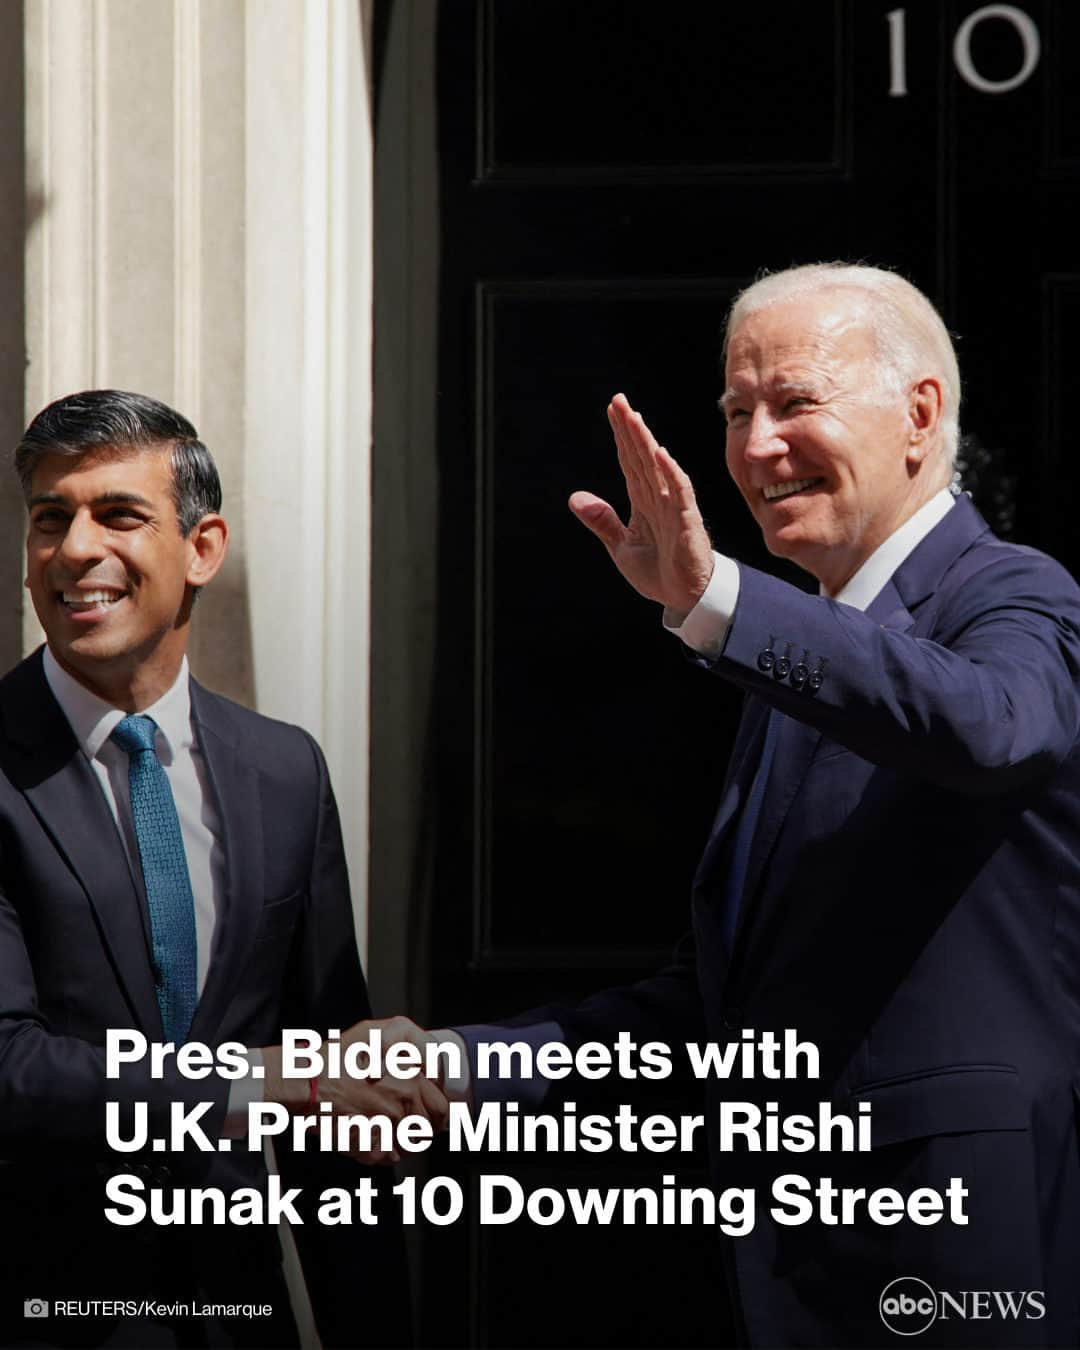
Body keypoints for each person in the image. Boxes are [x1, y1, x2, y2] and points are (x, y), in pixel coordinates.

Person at [397, 263, 1080, 1347]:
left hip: (958, 1268)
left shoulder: (1009, 591)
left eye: (796, 402)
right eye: (733, 411)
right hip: (794, 1281)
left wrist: (716, 601)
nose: (756, 447)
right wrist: (451, 1069)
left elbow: (993, 723)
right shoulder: (786, 667)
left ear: (919, 415)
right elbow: (721, 1017)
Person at [0, 390, 439, 1347]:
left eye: (118, 514)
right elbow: (12, 1069)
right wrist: (267, 1082)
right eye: (49, 519)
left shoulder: (284, 772)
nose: (76, 550)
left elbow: (339, 1100)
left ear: (203, 548)